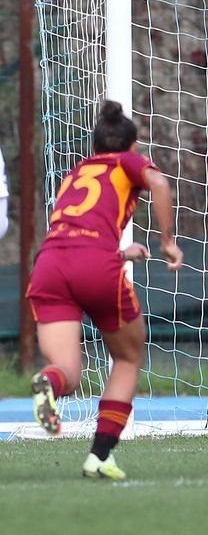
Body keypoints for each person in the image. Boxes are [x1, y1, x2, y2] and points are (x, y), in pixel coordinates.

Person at [26, 100, 183, 481]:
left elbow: (77, 233)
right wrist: (167, 241)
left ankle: (48, 382)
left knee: (68, 371)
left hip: (49, 266)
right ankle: (98, 456)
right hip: (94, 266)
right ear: (133, 149)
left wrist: (119, 252)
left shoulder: (76, 171)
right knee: (127, 359)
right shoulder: (125, 162)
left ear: (94, 147)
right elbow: (160, 183)